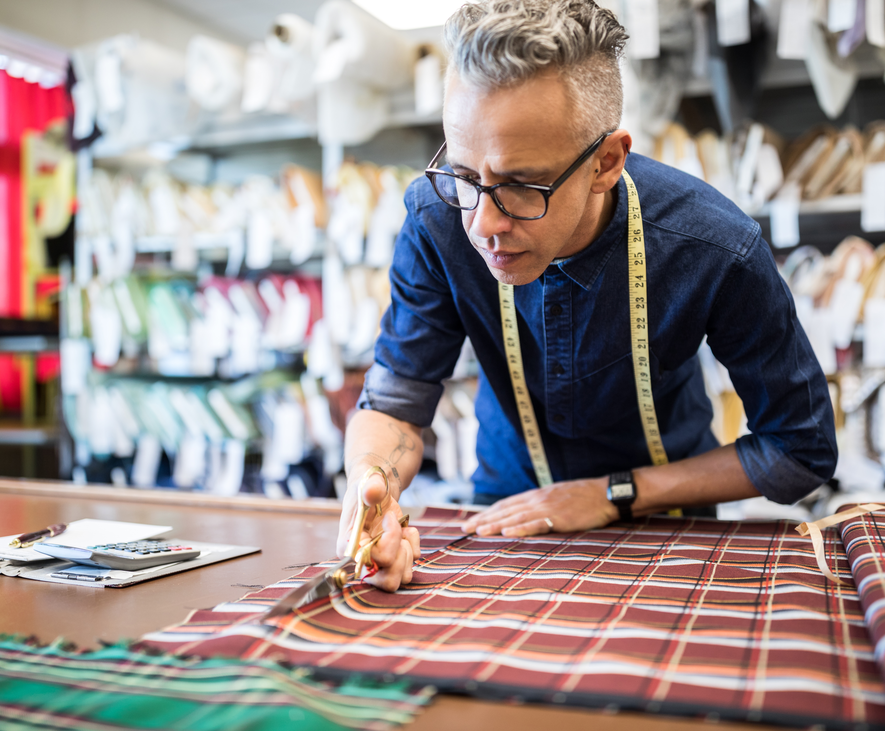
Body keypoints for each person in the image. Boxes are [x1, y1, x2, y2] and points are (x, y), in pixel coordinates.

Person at [337, 0, 837, 592]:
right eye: (467, 176)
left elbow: (799, 451)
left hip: (667, 523)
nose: (482, 225)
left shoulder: (711, 246)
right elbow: (397, 397)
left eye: (521, 185)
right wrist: (374, 491)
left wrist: (610, 495)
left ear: (605, 161)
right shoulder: (437, 216)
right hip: (506, 512)